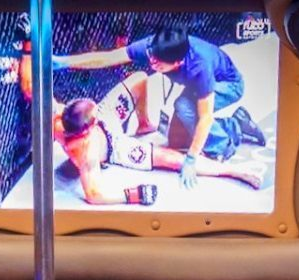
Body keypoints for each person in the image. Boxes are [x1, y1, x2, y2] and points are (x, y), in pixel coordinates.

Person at [52, 26, 266, 189]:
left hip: (228, 85)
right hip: (197, 85)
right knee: (176, 140)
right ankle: (237, 121)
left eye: (159, 63)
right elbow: (109, 58)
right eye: (152, 58)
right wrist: (65, 62)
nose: (152, 63)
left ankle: (224, 143)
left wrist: (192, 159)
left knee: (184, 108)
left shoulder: (199, 67)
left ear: (178, 63)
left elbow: (206, 116)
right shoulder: (151, 47)